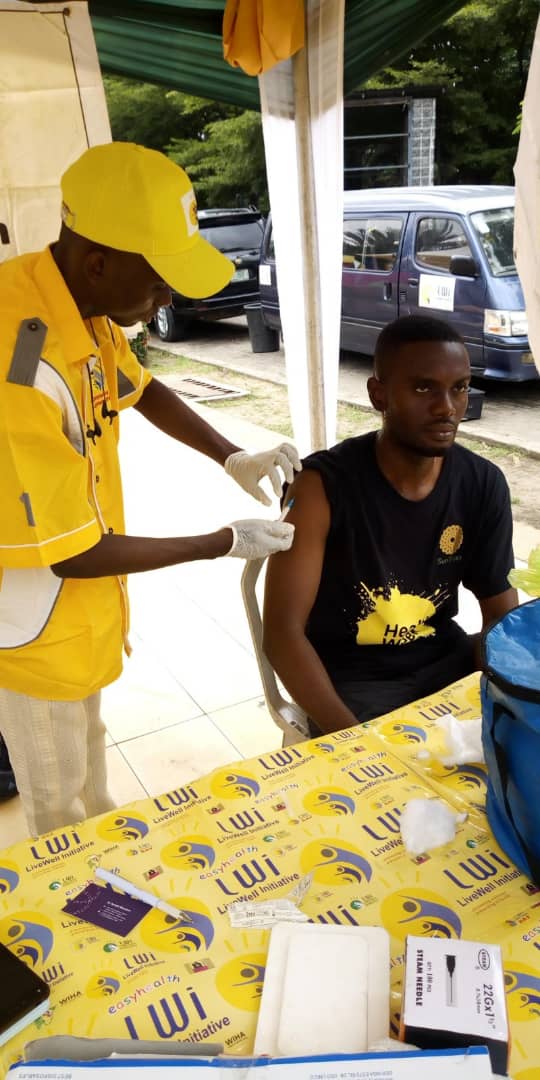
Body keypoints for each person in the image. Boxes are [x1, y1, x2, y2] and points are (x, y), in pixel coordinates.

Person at [0, 141, 301, 836]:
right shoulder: (20, 366)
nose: (168, 298)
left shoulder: (83, 306)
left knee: (91, 771)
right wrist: (218, 542)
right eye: (160, 280)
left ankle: (105, 864)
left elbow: (141, 388)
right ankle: (72, 925)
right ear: (97, 261)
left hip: (75, 618)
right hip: (29, 631)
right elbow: (71, 553)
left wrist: (233, 455)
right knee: (58, 811)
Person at [263, 314, 518, 736]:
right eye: (424, 388)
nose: (447, 408)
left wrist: (504, 705)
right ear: (378, 395)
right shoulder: (320, 488)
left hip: (444, 660)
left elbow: (500, 615)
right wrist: (354, 743)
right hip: (352, 681)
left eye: (460, 388)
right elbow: (283, 634)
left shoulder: (482, 483)